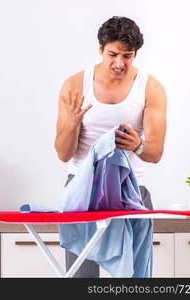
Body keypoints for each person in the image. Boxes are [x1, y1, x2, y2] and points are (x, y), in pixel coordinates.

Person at [54, 16, 167, 278]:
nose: (119, 63)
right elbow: (62, 153)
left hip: (131, 189)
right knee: (82, 277)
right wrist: (72, 124)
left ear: (135, 53)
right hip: (83, 188)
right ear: (100, 49)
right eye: (113, 54)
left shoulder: (150, 88)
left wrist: (138, 146)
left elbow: (155, 153)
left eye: (127, 56)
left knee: (134, 275)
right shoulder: (75, 86)